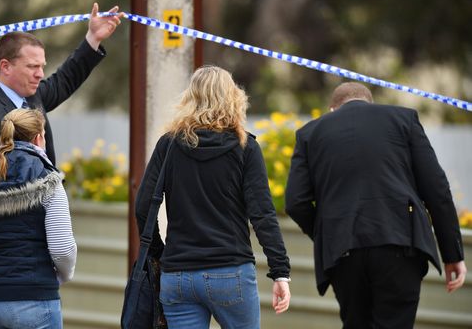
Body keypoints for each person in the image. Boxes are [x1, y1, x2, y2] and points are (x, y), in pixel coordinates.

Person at [285, 82, 467, 329]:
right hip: (399, 243)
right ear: (370, 102)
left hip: (343, 252)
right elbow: (437, 189)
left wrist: (331, 233)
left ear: (331, 110)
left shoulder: (309, 133)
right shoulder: (403, 119)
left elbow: (296, 202)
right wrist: (452, 253)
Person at [134, 66, 291, 329]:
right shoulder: (245, 148)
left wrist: (161, 253)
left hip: (178, 275)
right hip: (230, 272)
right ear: (233, 97)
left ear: (190, 97)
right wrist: (280, 272)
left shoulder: (169, 145)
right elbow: (262, 214)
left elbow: (142, 206)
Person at [0, 2, 123, 167]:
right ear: (5, 66)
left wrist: (93, 38)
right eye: (32, 66)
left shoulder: (31, 95)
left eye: (42, 66)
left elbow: (65, 79)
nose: (40, 74)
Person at [0, 108, 76, 328]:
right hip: (33, 296)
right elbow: (62, 248)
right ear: (39, 137)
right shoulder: (47, 178)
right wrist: (63, 276)